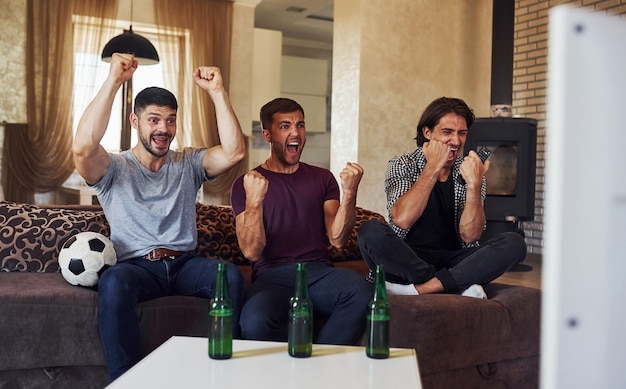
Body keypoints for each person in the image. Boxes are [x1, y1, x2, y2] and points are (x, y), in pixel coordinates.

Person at [73, 53, 246, 381]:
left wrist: (218, 92)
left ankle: (222, 373)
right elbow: (82, 148)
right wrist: (113, 82)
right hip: (137, 268)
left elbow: (234, 152)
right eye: (154, 120)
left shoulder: (188, 163)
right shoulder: (113, 168)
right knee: (113, 281)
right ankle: (124, 381)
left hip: (184, 266)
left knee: (229, 276)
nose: (163, 129)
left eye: (170, 120)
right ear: (134, 122)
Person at [230, 97, 372, 345]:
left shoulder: (322, 178)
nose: (295, 132)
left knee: (361, 292)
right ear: (267, 134)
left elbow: (337, 239)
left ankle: (318, 364)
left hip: (318, 273)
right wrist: (254, 201)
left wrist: (349, 193)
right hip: (272, 276)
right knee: (253, 321)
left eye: (300, 125)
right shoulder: (247, 183)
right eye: (285, 126)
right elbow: (252, 252)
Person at [357, 97, 526, 298]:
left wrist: (474, 185)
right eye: (447, 132)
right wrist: (433, 166)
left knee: (515, 243)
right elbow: (402, 219)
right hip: (407, 259)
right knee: (370, 231)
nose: (456, 141)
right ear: (427, 132)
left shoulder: (469, 169)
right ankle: (456, 282)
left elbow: (470, 236)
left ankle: (424, 288)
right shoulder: (403, 164)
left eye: (462, 133)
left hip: (454, 260)